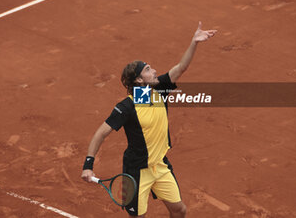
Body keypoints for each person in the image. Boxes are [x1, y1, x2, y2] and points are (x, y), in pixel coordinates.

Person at [81, 22, 217, 217]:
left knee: (179, 211)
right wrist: (88, 165)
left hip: (160, 165)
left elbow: (181, 67)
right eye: (147, 69)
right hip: (136, 173)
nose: (153, 71)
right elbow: (101, 133)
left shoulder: (159, 90)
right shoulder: (126, 107)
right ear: (138, 80)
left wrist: (194, 42)